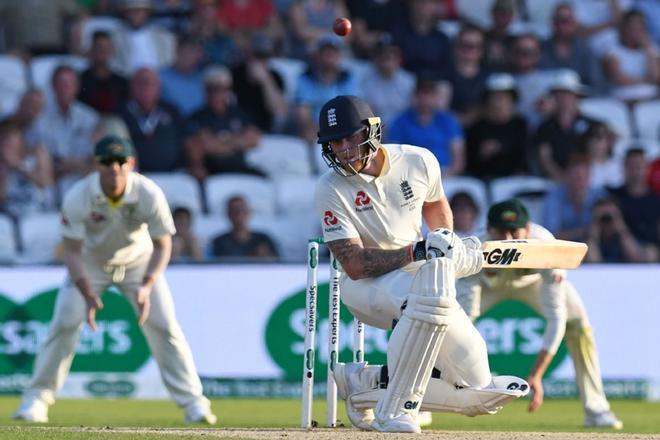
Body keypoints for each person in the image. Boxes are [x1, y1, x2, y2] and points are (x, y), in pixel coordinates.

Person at [314, 95, 528, 433]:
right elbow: (353, 264)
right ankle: (395, 410)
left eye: (347, 138)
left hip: (419, 280)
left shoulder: (418, 160)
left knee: (475, 388)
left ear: (371, 130)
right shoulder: (330, 188)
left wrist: (445, 242)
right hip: (364, 288)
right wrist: (419, 251)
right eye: (333, 142)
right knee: (424, 294)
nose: (341, 149)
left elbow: (436, 209)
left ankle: (365, 383)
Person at [11, 135, 217, 425]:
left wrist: (147, 284)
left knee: (166, 327)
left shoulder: (148, 193)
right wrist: (85, 290)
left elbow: (163, 246)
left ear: (131, 163)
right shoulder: (79, 196)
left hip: (139, 264)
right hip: (90, 264)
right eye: (107, 162)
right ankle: (36, 400)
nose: (114, 168)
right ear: (97, 164)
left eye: (120, 161)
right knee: (65, 323)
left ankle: (195, 404)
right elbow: (70, 251)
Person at [457, 198, 623, 429]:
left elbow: (557, 319)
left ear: (527, 229)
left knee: (578, 326)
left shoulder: (544, 244)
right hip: (488, 287)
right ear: (488, 229)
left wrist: (536, 375)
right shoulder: (475, 248)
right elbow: (465, 316)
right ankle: (419, 405)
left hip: (532, 284)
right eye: (501, 232)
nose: (508, 241)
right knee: (443, 325)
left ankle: (596, 409)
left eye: (514, 232)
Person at [387, 77, 465, 176]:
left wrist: (446, 174)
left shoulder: (448, 121)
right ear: (415, 96)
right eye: (422, 95)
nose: (426, 100)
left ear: (436, 97)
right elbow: (393, 156)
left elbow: (458, 159)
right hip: (410, 173)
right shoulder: (400, 122)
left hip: (444, 173)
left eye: (430, 95)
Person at [210, 195, 279, 259]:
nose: (239, 215)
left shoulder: (264, 240)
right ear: (228, 215)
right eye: (235, 211)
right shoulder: (219, 242)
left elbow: (278, 264)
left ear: (249, 213)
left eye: (242, 211)